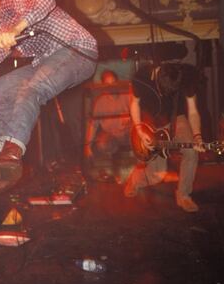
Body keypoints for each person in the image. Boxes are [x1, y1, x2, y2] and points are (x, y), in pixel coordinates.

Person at [0, 0, 98, 193]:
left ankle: (12, 153)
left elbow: (46, 0)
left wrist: (16, 29)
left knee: (32, 88)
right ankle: (6, 165)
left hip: (77, 50)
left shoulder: (8, 5)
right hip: (48, 59)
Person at [123, 61, 206, 212]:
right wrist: (140, 130)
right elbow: (134, 103)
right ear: (157, 75)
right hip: (152, 120)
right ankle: (135, 179)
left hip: (177, 118)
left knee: (191, 152)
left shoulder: (188, 77)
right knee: (157, 175)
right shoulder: (141, 77)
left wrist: (197, 136)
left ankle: (184, 195)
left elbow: (193, 111)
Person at [84, 69, 131, 161]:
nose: (111, 86)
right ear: (103, 85)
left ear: (117, 82)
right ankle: (112, 162)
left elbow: (139, 116)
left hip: (127, 135)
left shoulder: (127, 96)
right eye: (108, 84)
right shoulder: (100, 102)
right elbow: (93, 126)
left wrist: (130, 118)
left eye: (113, 82)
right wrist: (87, 146)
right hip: (110, 137)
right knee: (102, 143)